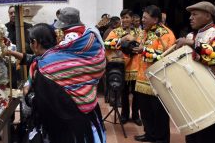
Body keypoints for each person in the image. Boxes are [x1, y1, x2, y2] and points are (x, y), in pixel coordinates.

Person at [27, 8, 106, 143]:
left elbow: (44, 105)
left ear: (35, 43)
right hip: (89, 114)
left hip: (66, 126)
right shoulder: (89, 36)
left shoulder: (46, 67)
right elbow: (95, 61)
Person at [176, 1, 215, 143]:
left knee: (208, 137)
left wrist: (192, 44)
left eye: (195, 14)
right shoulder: (192, 35)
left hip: (213, 95)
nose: (190, 17)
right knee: (193, 135)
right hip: (195, 93)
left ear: (208, 16)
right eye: (190, 15)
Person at [130, 5, 175, 143]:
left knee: (159, 113)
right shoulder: (145, 32)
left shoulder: (165, 33)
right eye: (142, 17)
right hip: (143, 77)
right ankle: (149, 134)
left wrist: (143, 51)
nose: (142, 19)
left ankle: (161, 139)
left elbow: (165, 56)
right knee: (145, 111)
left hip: (158, 79)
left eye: (145, 17)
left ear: (155, 19)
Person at [104, 9, 142, 126]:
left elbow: (142, 44)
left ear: (131, 19)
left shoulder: (139, 32)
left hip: (136, 66)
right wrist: (121, 40)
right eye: (123, 17)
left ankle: (135, 115)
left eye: (127, 17)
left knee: (137, 93)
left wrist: (133, 40)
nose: (125, 20)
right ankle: (125, 115)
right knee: (124, 92)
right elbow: (106, 44)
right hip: (122, 66)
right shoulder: (116, 31)